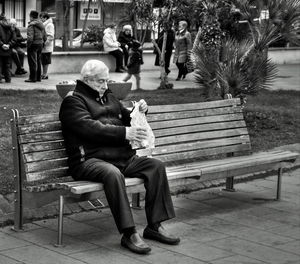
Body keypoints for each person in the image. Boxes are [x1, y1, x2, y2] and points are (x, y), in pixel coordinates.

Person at [59, 59, 180, 255]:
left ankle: (154, 226)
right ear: (87, 79)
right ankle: (129, 233)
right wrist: (124, 133)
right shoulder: (73, 101)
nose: (105, 86)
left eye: (106, 81)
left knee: (155, 166)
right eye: (101, 81)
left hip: (121, 158)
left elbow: (125, 116)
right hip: (89, 160)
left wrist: (139, 110)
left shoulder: (108, 96)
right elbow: (91, 129)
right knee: (113, 174)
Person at [25, 10, 46, 83]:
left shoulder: (31, 25)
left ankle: (32, 78)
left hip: (33, 44)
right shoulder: (41, 24)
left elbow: (30, 38)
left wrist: (28, 45)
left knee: (32, 62)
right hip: (40, 44)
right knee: (38, 61)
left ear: (31, 16)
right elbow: (45, 36)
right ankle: (38, 78)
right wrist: (42, 42)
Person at [0, 13, 16, 83]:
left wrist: (2, 45)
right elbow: (14, 39)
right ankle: (8, 79)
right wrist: (9, 45)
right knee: (7, 65)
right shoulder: (11, 27)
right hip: (8, 50)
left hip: (0, 49)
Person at [39, 12, 54, 80]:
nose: (41, 19)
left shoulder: (50, 25)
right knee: (43, 61)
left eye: (42, 18)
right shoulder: (45, 24)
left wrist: (44, 44)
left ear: (45, 18)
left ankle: (45, 74)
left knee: (45, 62)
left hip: (47, 47)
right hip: (44, 46)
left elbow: (50, 36)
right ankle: (44, 74)